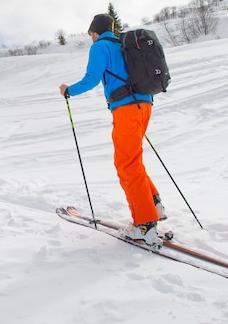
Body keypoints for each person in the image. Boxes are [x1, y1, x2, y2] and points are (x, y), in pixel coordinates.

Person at [59, 13, 166, 245]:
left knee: (126, 164)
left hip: (126, 109)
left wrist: (69, 91)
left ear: (95, 31)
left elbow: (91, 79)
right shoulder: (125, 45)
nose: (91, 37)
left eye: (90, 34)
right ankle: (153, 204)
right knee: (133, 161)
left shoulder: (101, 47)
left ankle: (144, 224)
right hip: (144, 105)